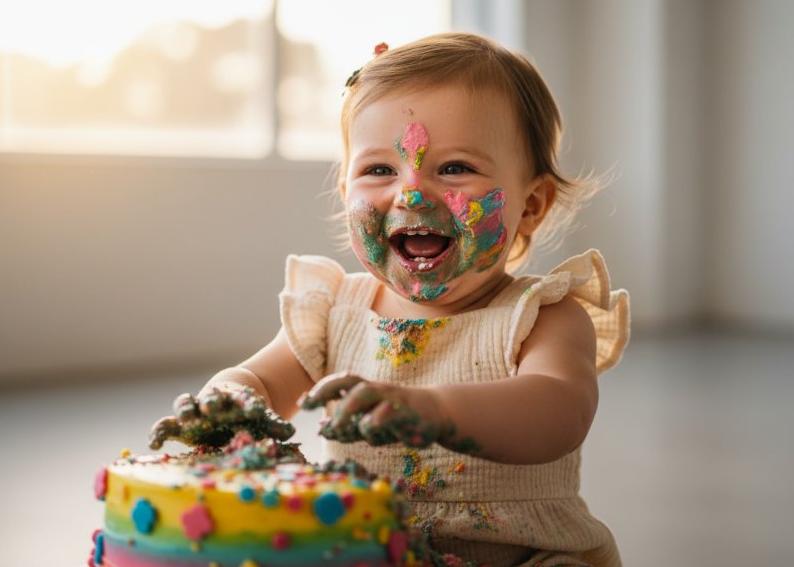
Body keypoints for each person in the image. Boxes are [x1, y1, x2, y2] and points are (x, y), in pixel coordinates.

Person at [188, 33, 629, 567]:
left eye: (454, 168)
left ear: (531, 204)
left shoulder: (541, 316)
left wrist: (435, 410)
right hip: (368, 551)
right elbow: (260, 380)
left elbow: (560, 411)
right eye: (379, 170)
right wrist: (227, 403)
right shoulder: (334, 311)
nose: (411, 194)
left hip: (522, 556)